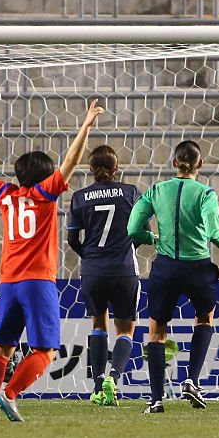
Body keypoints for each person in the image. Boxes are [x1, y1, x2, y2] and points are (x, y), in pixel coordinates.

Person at [0, 99, 104, 422]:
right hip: (38, 280)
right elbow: (71, 162)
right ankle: (10, 393)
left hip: (8, 282)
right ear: (45, 177)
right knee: (46, 350)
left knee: (3, 348)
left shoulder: (6, 196)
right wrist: (85, 126)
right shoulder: (45, 195)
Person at [127, 140, 219, 414]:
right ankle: (192, 380)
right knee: (204, 318)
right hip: (198, 269)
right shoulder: (206, 194)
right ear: (200, 164)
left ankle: (156, 400)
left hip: (167, 267)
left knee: (156, 331)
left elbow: (132, 229)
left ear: (174, 164)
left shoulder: (157, 191)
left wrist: (153, 238)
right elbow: (213, 233)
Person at [66, 145, 143, 407]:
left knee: (99, 325)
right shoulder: (131, 192)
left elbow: (72, 238)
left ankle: (98, 387)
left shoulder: (79, 197)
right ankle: (114, 377)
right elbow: (142, 232)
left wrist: (88, 255)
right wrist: (128, 248)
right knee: (125, 329)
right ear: (116, 168)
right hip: (123, 269)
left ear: (90, 169)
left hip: (93, 270)